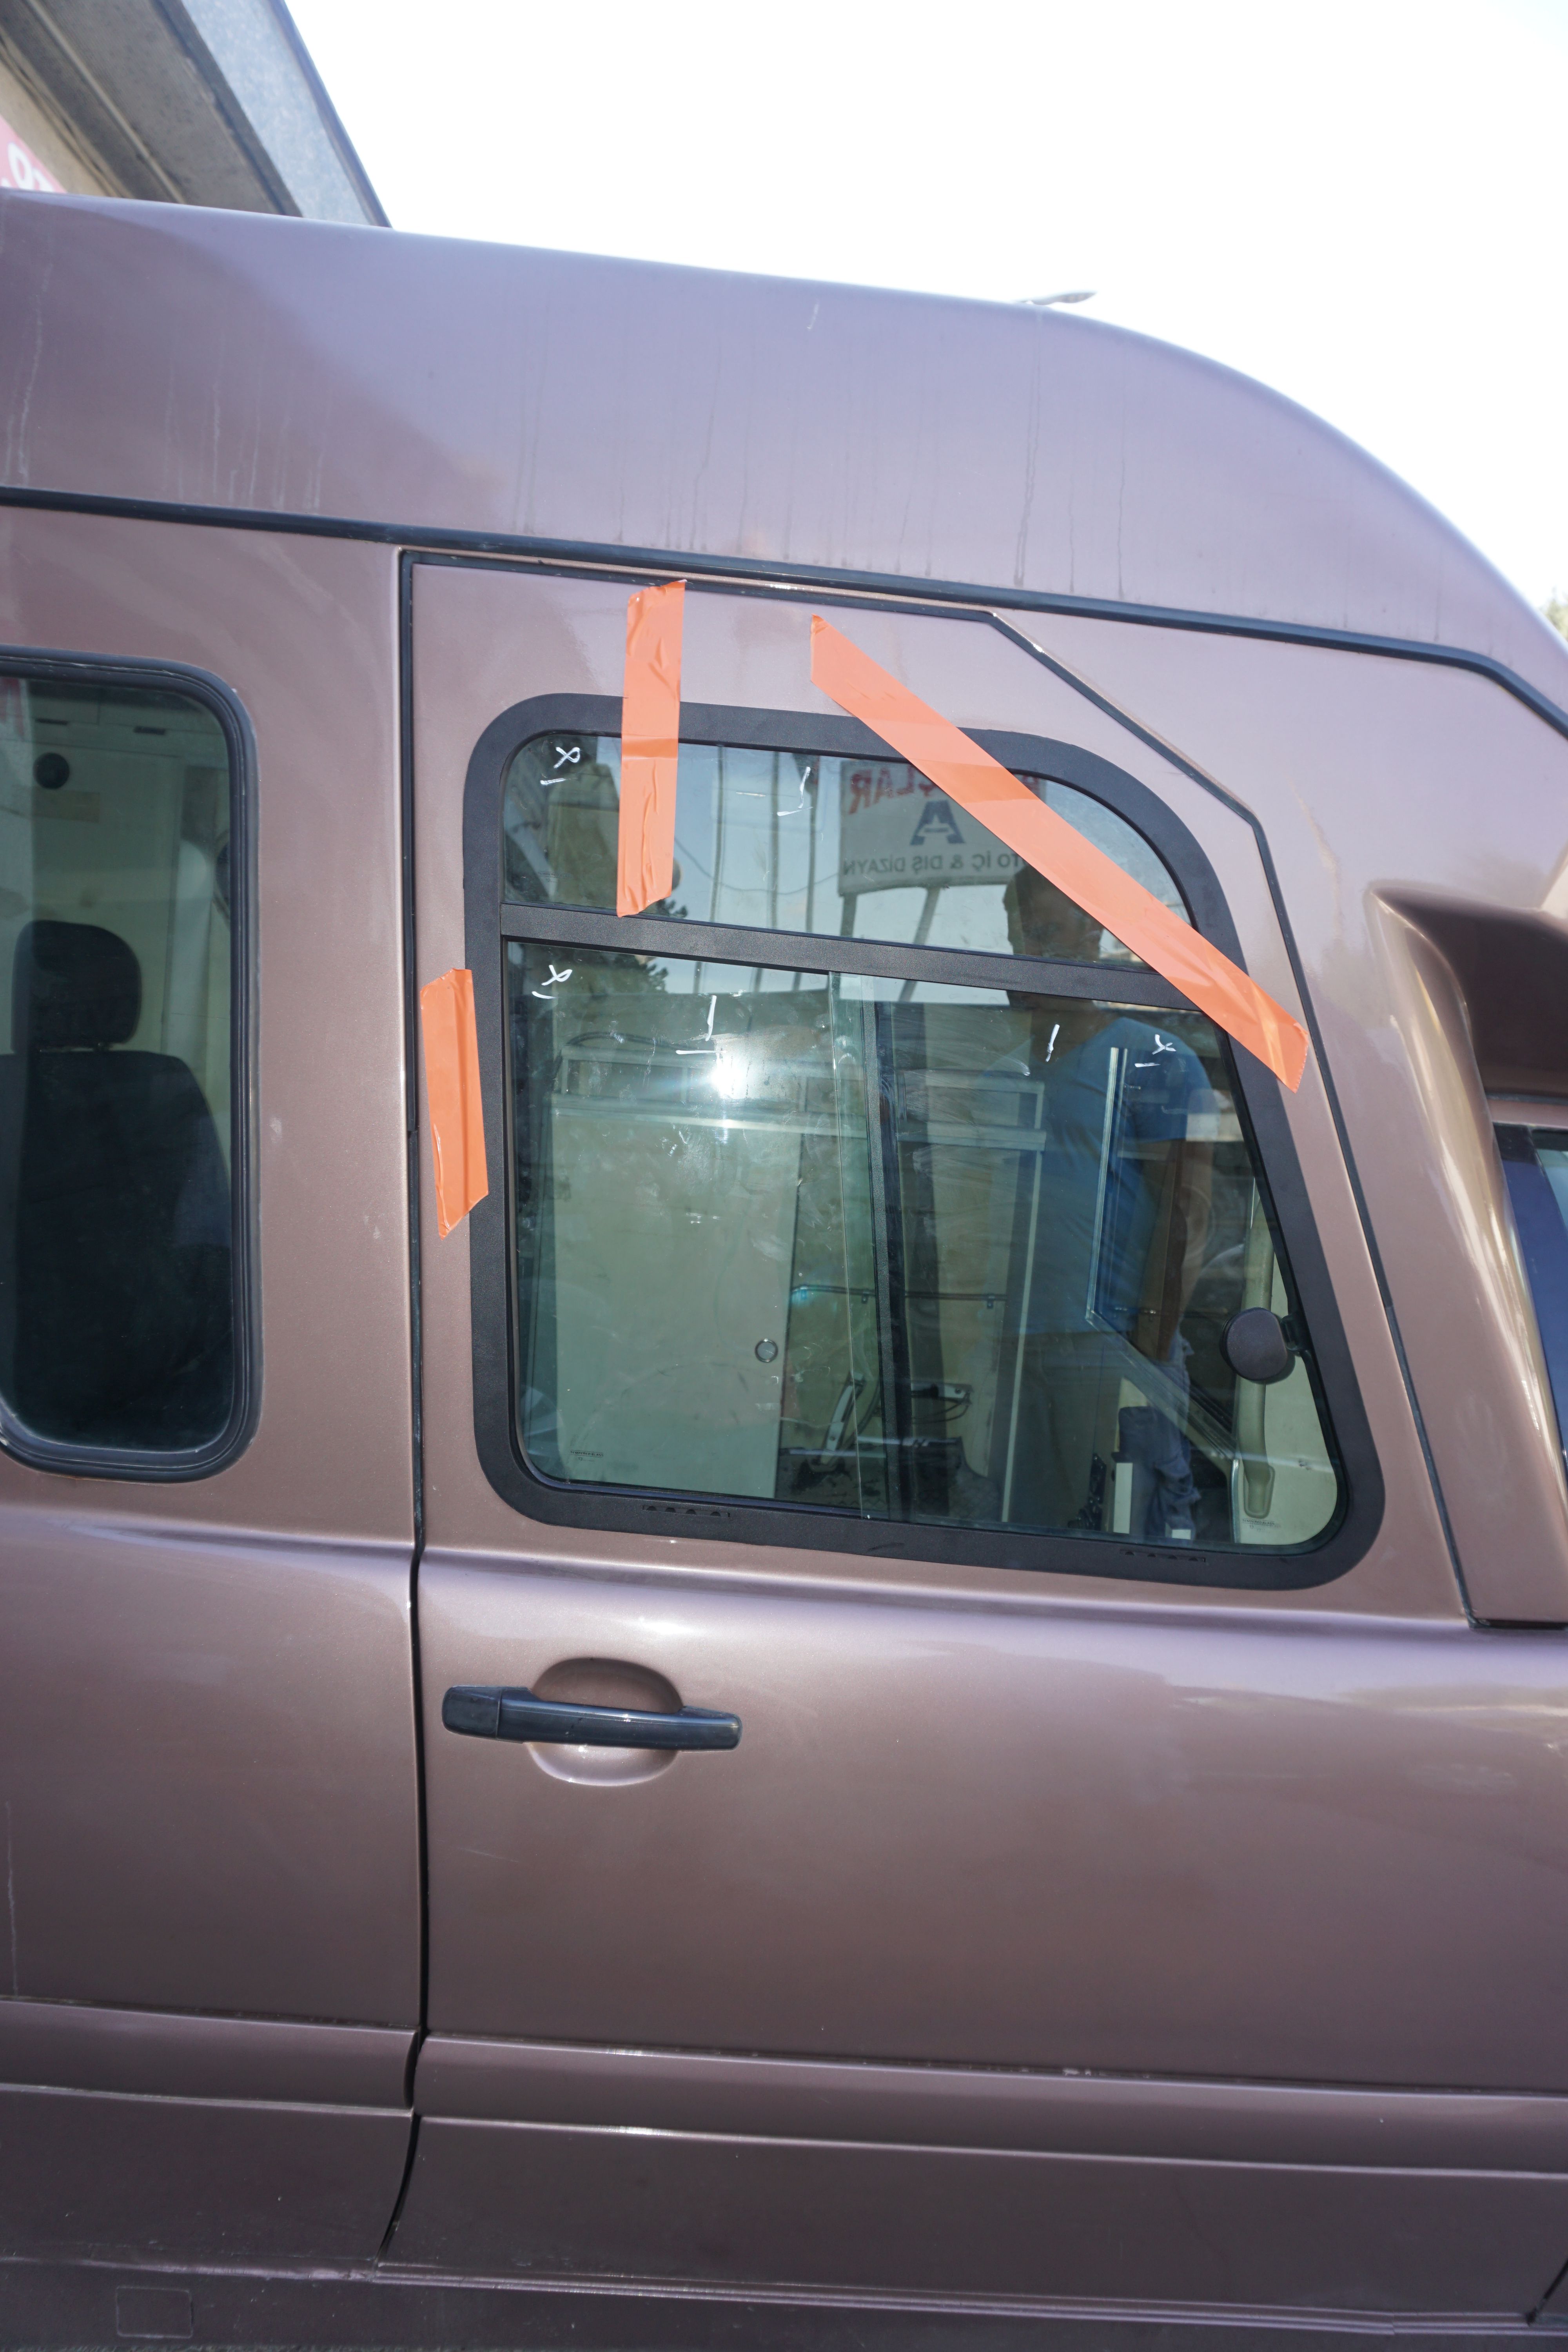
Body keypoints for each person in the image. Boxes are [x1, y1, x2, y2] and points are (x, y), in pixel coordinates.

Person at [999, 864, 1214, 1543]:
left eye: (1049, 934)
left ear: (1092, 938)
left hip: (1112, 1347)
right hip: (1020, 1342)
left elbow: (1188, 1215)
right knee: (1023, 1537)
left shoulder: (1156, 1060)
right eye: (1023, 939)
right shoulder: (1006, 1073)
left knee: (1126, 1540)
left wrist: (1144, 1356)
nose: (1034, 954)